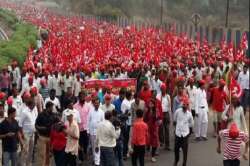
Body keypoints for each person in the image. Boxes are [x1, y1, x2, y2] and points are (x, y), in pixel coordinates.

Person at [35, 101, 58, 166]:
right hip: (42, 137)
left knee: (49, 155)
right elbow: (36, 125)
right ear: (48, 107)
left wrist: (55, 127)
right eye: (51, 107)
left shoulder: (54, 115)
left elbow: (59, 122)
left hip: (50, 138)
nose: (52, 109)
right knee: (42, 155)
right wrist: (41, 128)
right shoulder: (41, 115)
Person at [173, 97, 194, 166]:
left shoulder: (189, 114)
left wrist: (187, 129)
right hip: (178, 134)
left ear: (188, 105)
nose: (184, 106)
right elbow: (174, 120)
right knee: (176, 149)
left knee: (185, 151)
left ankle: (184, 163)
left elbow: (191, 124)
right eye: (183, 104)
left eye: (186, 105)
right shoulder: (177, 111)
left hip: (185, 135)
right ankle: (176, 160)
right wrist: (176, 129)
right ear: (182, 105)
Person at [19, 98, 38, 166]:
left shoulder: (33, 111)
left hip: (32, 134)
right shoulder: (24, 112)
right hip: (26, 134)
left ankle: (28, 164)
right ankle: (23, 164)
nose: (35, 105)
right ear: (30, 104)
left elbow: (34, 122)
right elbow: (20, 124)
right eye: (34, 104)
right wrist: (22, 134)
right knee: (25, 151)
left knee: (31, 150)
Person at [73, 91, 90, 162]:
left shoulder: (88, 106)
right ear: (79, 97)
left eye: (84, 96)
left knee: (86, 143)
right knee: (79, 144)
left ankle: (85, 153)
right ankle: (80, 158)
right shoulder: (75, 106)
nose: (83, 98)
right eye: (81, 96)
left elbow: (89, 117)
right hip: (78, 129)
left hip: (86, 128)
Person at [88, 97, 104, 166]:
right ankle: (94, 159)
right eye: (95, 103)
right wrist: (88, 131)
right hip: (92, 132)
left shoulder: (102, 112)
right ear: (94, 104)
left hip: (99, 133)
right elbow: (88, 121)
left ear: (99, 104)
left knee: (97, 147)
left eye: (98, 103)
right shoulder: (91, 111)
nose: (97, 104)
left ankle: (97, 162)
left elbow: (103, 122)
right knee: (93, 146)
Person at [156, 83, 171, 150]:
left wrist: (170, 116)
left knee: (167, 129)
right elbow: (157, 106)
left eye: (164, 89)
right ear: (161, 89)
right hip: (160, 114)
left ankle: (167, 145)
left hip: (166, 113)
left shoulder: (168, 96)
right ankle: (161, 141)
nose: (163, 90)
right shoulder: (158, 96)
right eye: (162, 89)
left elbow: (169, 107)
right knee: (160, 129)